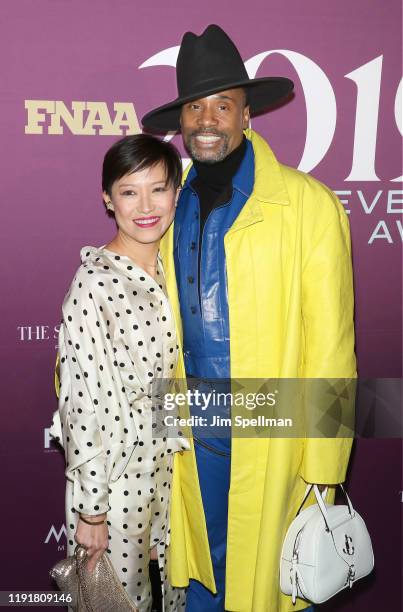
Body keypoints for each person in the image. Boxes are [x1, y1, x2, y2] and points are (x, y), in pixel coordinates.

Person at [141, 24, 356, 612]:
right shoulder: (166, 202)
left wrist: (324, 470)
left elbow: (332, 348)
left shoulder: (309, 205)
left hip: (272, 429)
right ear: (181, 120)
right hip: (188, 427)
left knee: (264, 582)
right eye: (194, 106)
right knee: (199, 574)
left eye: (222, 105)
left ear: (246, 116)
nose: (206, 120)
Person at [49, 133, 189, 612]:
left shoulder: (178, 270)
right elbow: (80, 404)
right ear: (108, 199)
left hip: (174, 472)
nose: (146, 206)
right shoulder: (94, 283)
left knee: (175, 600)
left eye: (159, 188)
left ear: (177, 190)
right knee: (115, 604)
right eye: (130, 191)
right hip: (117, 479)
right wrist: (92, 508)